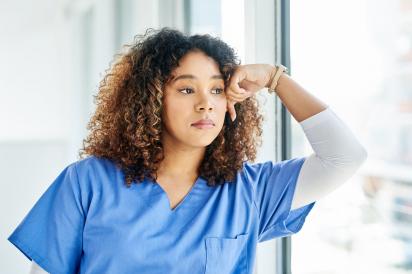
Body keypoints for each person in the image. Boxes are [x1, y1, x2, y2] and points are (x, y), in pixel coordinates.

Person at [8, 27, 367, 274]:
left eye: (216, 90)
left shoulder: (251, 191)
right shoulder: (87, 182)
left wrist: (275, 78)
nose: (205, 104)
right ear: (150, 99)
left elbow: (344, 157)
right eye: (185, 90)